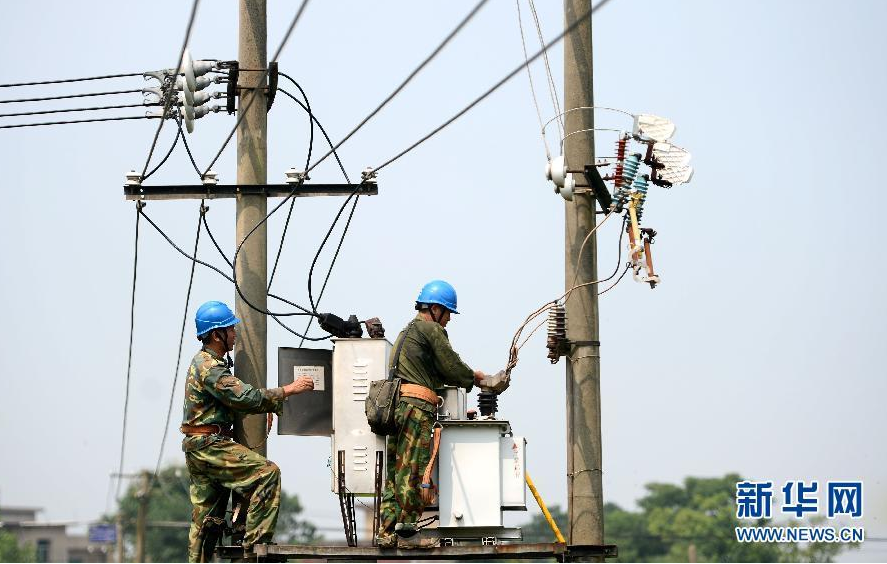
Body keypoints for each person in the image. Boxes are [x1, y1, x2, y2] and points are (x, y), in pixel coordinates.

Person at [181, 300, 314, 562]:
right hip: (209, 445)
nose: (235, 334)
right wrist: (288, 390)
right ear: (217, 335)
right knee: (267, 473)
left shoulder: (207, 363)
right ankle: (255, 548)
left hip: (203, 445)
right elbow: (244, 397)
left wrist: (263, 408)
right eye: (230, 329)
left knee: (207, 520)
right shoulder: (209, 367)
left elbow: (232, 402)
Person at [376, 280, 487, 549]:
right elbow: (451, 366)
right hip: (416, 409)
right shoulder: (431, 330)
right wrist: (476, 378)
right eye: (448, 313)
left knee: (396, 472)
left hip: (398, 408)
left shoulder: (407, 332)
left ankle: (386, 532)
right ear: (436, 309)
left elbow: (434, 372)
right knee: (413, 468)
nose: (449, 320)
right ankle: (407, 532)